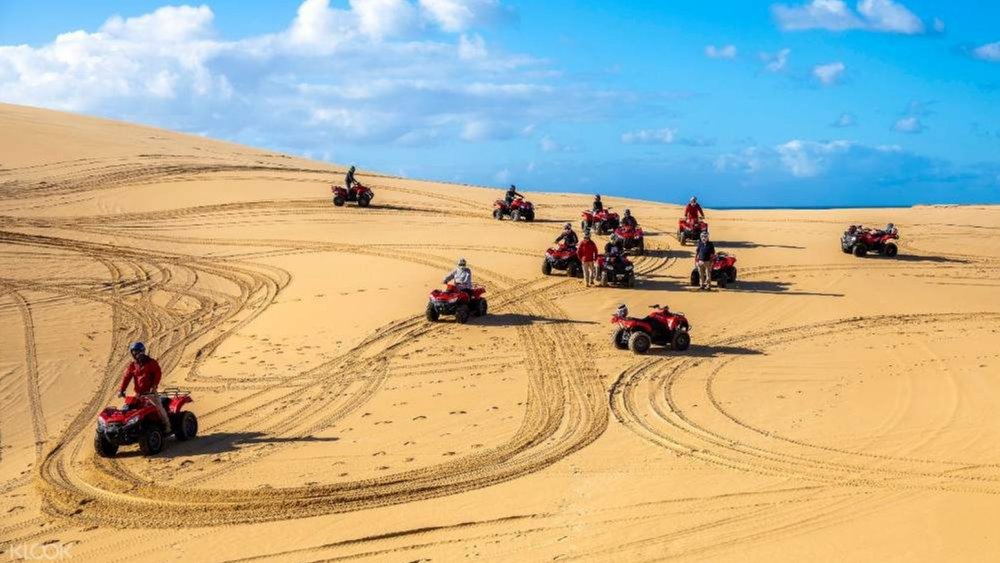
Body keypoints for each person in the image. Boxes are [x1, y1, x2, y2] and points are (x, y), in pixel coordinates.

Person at [118, 342, 170, 434]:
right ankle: (129, 429)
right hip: (138, 393)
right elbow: (126, 377)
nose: (135, 354)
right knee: (130, 409)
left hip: (150, 392)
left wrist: (154, 386)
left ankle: (167, 425)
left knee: (158, 407)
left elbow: (158, 374)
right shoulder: (133, 365)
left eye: (137, 351)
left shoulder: (151, 362)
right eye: (133, 352)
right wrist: (122, 390)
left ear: (142, 351)